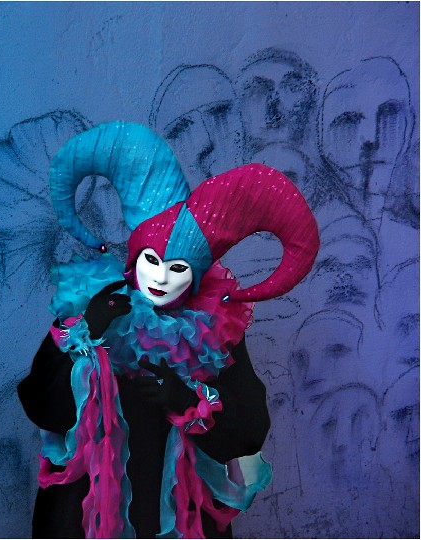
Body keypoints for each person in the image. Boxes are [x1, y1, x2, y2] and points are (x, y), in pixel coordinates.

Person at [18, 122, 319, 538]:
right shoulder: (95, 307)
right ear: (135, 258)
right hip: (87, 514)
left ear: (195, 275)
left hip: (178, 516)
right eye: (151, 260)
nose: (160, 277)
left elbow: (248, 431)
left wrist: (188, 399)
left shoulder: (211, 334)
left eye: (178, 268)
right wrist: (86, 331)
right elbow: (40, 404)